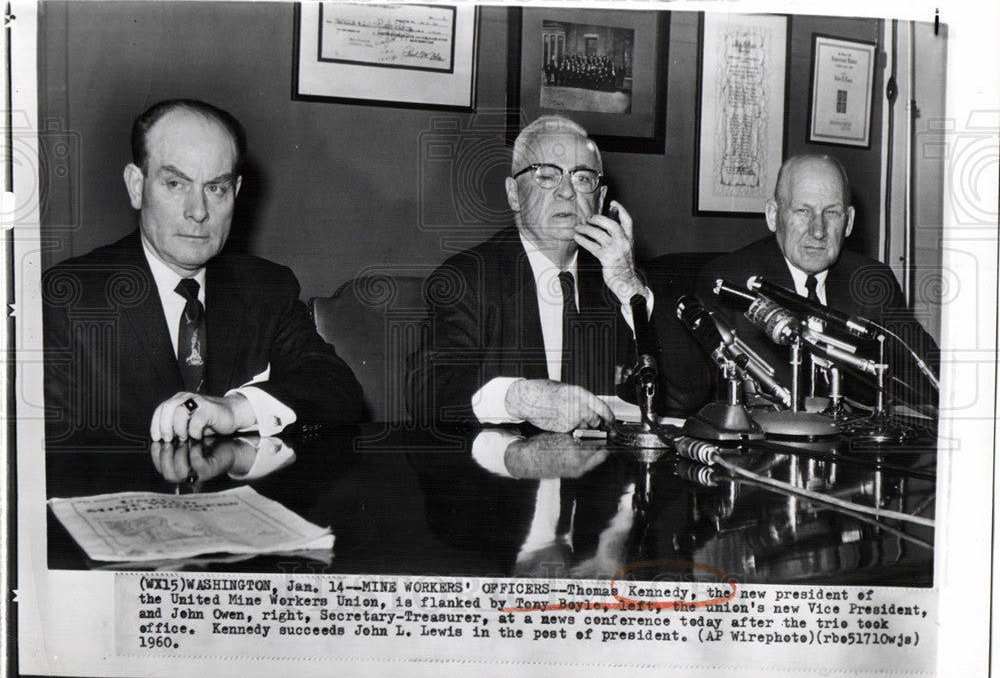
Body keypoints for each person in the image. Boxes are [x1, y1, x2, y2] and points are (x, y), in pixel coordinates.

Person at [43, 99, 363, 446]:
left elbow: (338, 389)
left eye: (216, 188)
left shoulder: (265, 288)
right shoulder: (69, 297)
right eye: (176, 184)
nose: (198, 212)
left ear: (236, 192)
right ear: (137, 186)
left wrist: (238, 408)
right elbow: (49, 455)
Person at [408, 115, 710, 440]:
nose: (566, 192)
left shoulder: (615, 276)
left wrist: (630, 288)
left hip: (603, 480)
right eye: (547, 176)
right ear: (513, 194)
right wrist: (519, 398)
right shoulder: (469, 278)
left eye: (582, 178)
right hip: (509, 478)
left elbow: (688, 395)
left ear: (600, 197)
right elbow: (428, 388)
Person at [696, 153, 938, 409]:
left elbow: (931, 376)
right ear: (772, 215)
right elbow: (705, 400)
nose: (818, 230)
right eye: (803, 211)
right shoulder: (729, 282)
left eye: (831, 213)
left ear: (849, 222)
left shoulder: (871, 281)